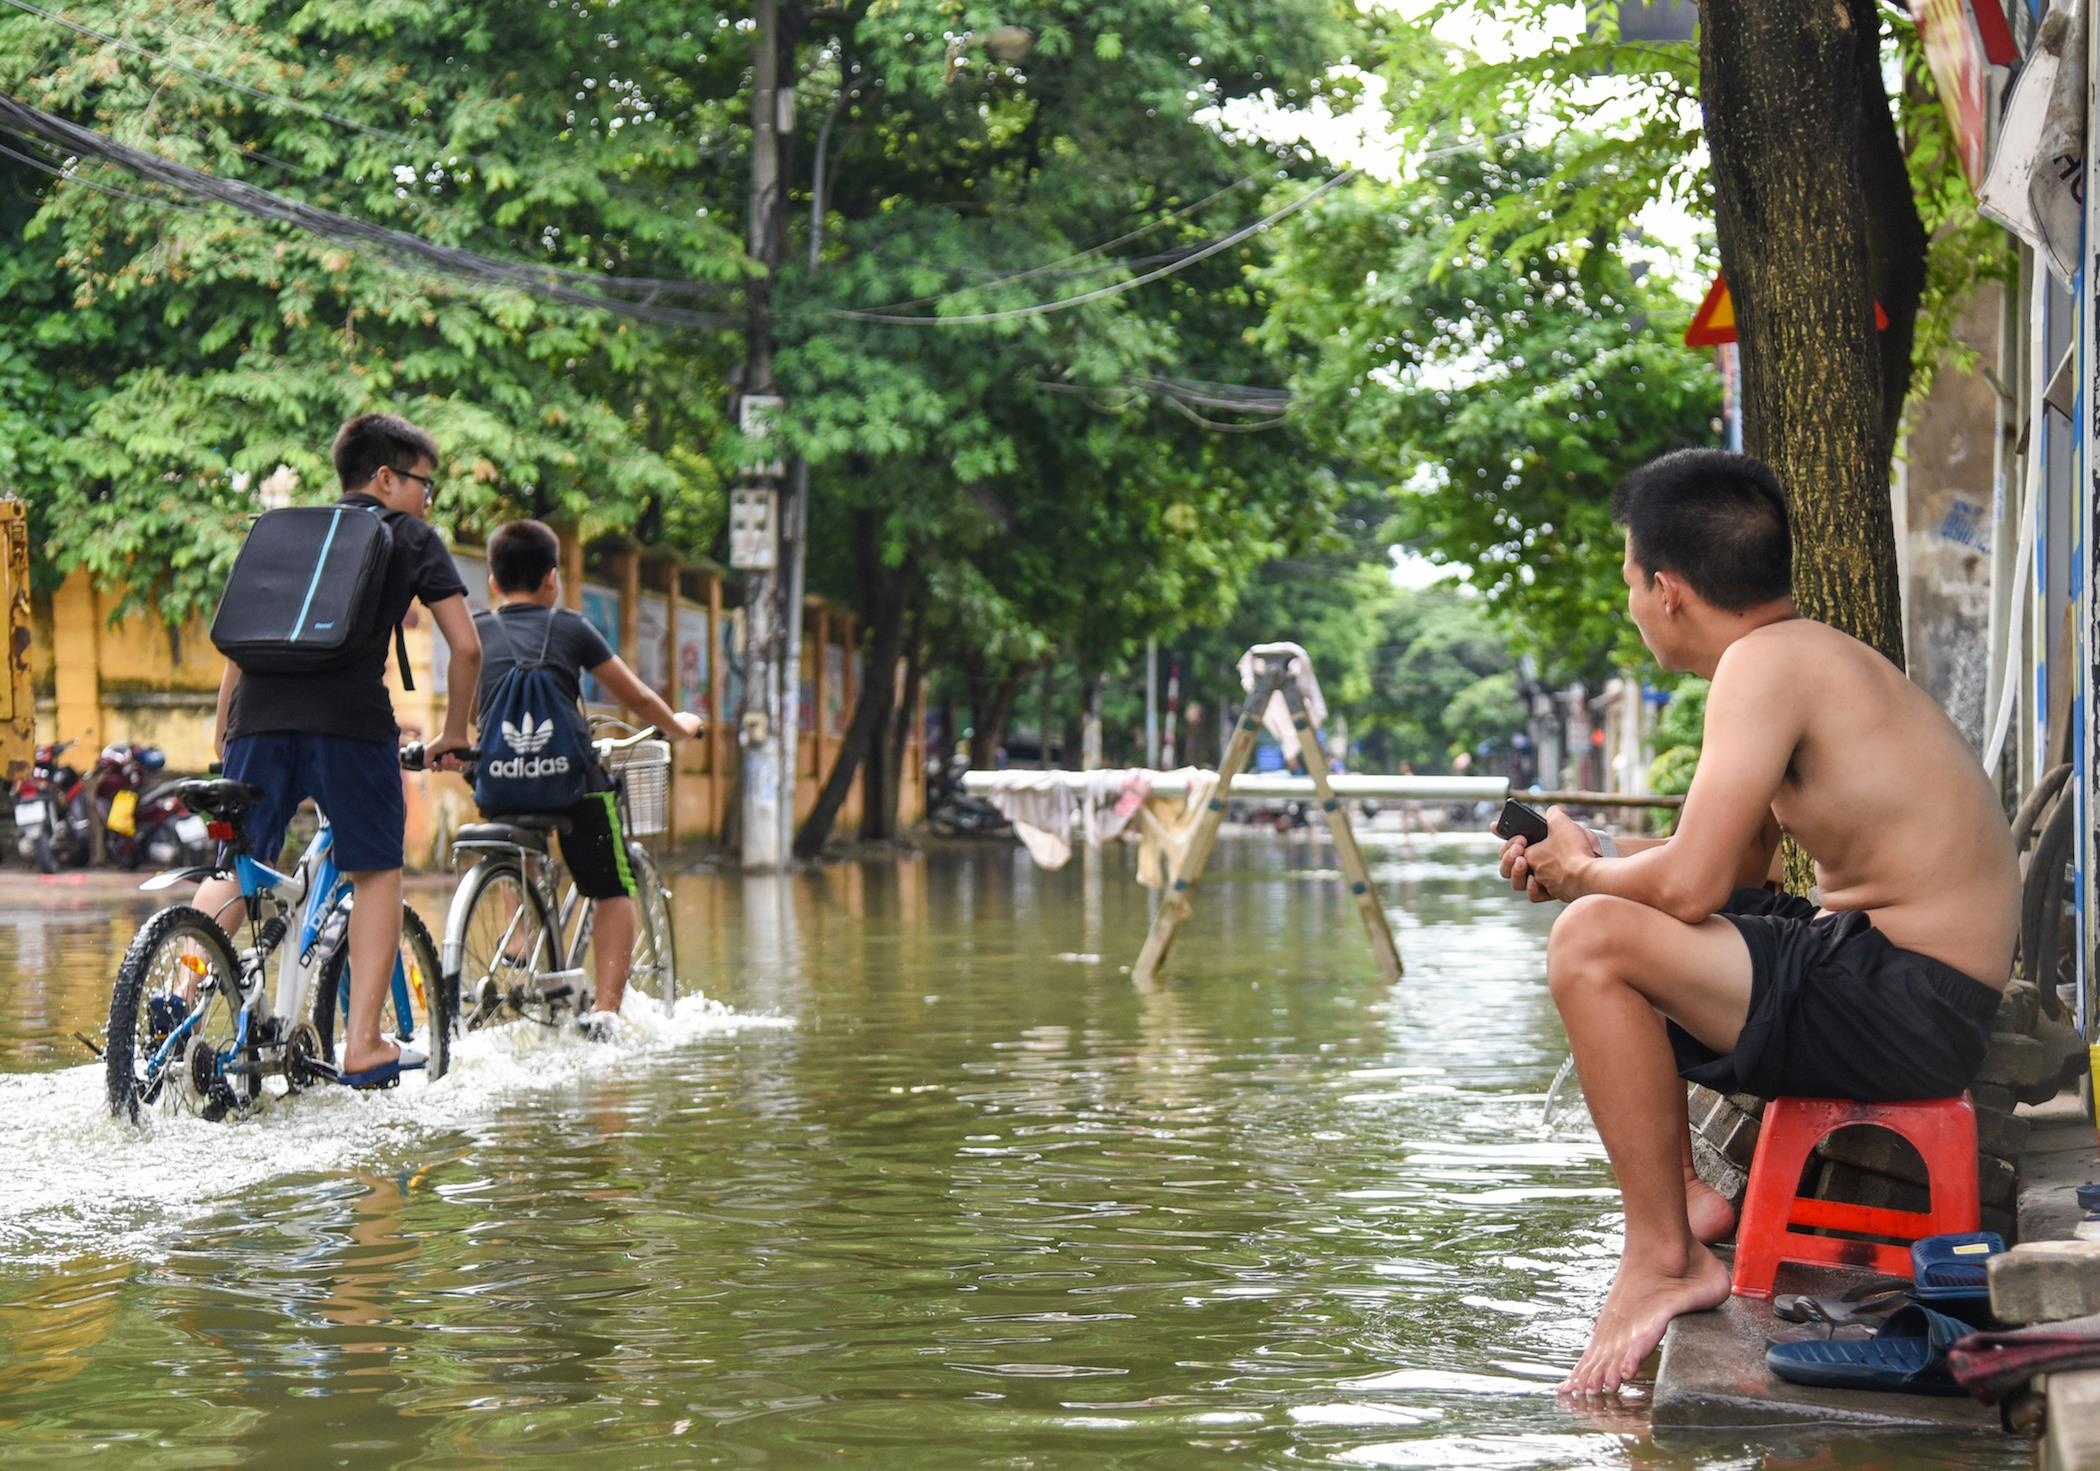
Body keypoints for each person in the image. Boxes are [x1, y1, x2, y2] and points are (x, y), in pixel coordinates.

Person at [1495, 448, 2017, 1397]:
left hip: (1911, 1000)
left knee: (1590, 941)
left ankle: (1663, 1257)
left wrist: (1583, 880)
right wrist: (1590, 859)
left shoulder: (1763, 667)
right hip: (1897, 975)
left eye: (1627, 582)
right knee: (1611, 913)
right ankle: (1685, 1200)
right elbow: (1732, 869)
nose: (1630, 603)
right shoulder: (1793, 655)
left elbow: (1689, 888)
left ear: (1668, 588)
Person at [199, 413, 482, 1087]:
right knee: (377, 868)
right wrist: (454, 733)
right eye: (423, 484)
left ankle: (172, 1001)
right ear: (386, 476)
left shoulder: (286, 533)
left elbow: (244, 644)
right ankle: (363, 1044)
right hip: (350, 723)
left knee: (241, 862)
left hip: (256, 720)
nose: (427, 500)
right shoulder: (410, 535)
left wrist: (223, 735)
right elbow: (467, 647)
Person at [471, 519, 702, 1035]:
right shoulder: (570, 627)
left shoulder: (477, 630)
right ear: (552, 579)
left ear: (492, 580)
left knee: (512, 838)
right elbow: (637, 698)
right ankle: (605, 1012)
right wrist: (678, 726)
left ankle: (519, 936)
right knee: (611, 886)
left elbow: (475, 716)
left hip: (502, 783)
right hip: (572, 785)